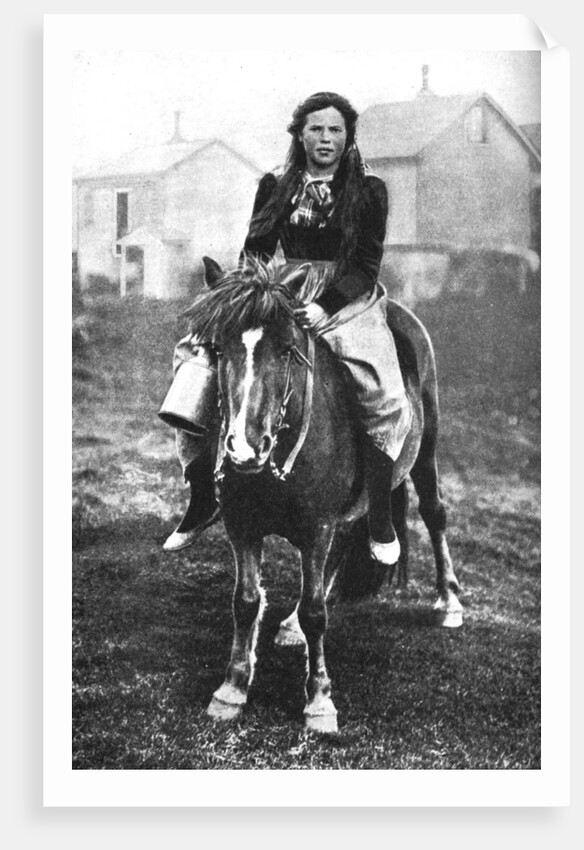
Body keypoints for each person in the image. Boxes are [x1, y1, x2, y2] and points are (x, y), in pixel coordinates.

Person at [162, 92, 411, 567]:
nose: (326, 138)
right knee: (195, 356)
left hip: (345, 297)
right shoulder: (276, 185)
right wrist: (248, 296)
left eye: (336, 130)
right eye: (316, 128)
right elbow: (255, 251)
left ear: (348, 137)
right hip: (280, 289)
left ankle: (379, 510)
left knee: (382, 388)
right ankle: (200, 496)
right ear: (300, 134)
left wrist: (325, 306)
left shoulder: (369, 190)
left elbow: (367, 265)